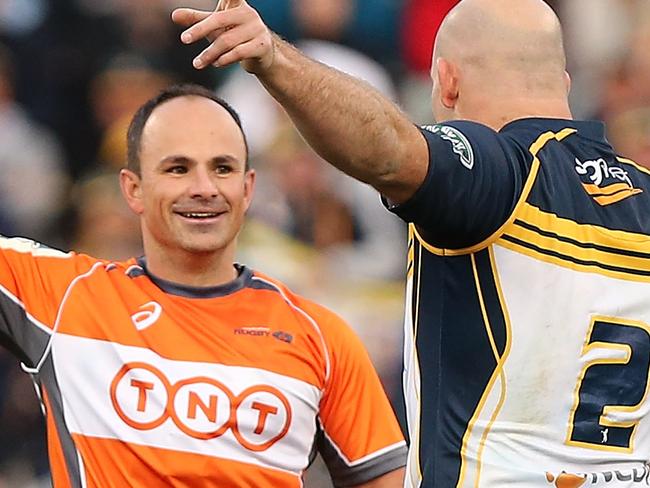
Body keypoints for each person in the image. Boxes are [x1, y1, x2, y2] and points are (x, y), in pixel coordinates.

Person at [172, 0, 650, 486]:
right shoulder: (644, 197)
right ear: (565, 85)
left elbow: (391, 154)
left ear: (447, 82)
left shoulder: (503, 175)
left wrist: (273, 58)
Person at [0, 83, 407, 487]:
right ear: (133, 189)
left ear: (248, 189)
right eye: (178, 168)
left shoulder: (321, 337)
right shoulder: (63, 297)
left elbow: (386, 480)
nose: (204, 188)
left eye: (222, 168)